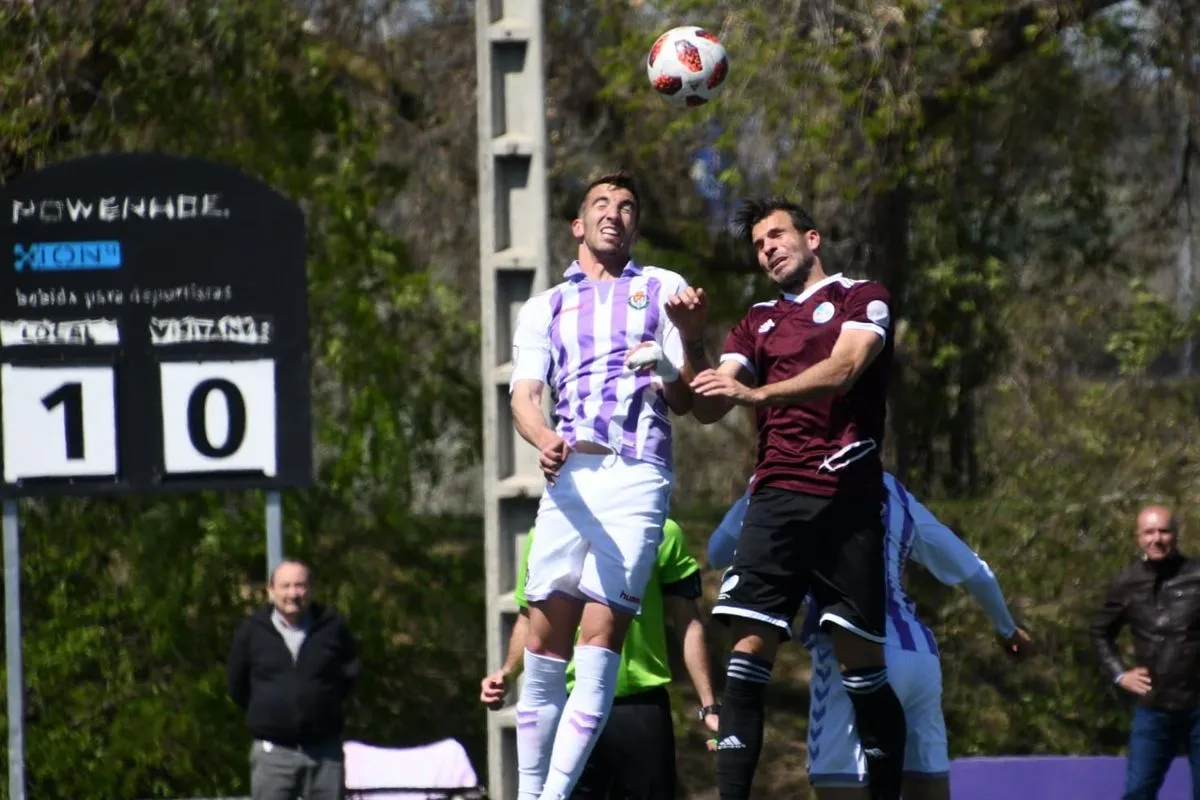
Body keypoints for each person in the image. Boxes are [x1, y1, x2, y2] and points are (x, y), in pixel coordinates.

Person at [664, 198, 906, 800]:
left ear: (812, 238)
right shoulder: (755, 320)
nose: (768, 248)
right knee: (746, 659)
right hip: (774, 498)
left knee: (863, 672)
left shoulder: (861, 295)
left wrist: (759, 394)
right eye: (758, 244)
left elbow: (845, 368)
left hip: (846, 499)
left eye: (777, 235)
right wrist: (694, 344)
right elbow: (710, 402)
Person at [507, 170, 695, 800]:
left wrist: (682, 342)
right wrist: (543, 438)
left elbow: (682, 394)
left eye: (627, 207)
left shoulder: (662, 288)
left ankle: (553, 794)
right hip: (570, 474)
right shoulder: (545, 307)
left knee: (601, 630)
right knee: (543, 635)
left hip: (638, 470)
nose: (615, 214)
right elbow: (525, 394)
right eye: (602, 205)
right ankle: (531, 790)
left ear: (635, 226)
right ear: (578, 225)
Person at [708, 473, 1032, 800]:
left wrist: (753, 496)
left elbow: (717, 551)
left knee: (839, 784)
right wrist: (1006, 629)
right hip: (917, 657)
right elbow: (977, 571)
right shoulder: (892, 490)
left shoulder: (783, 475)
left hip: (848, 657)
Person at [482, 519, 720, 798]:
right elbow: (529, 619)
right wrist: (508, 673)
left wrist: (708, 704)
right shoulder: (547, 531)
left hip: (638, 707)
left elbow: (687, 622)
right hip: (570, 705)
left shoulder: (660, 530)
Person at [1091, 505, 1200, 799]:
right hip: (1154, 708)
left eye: (1164, 531)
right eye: (1149, 532)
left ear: (1176, 534)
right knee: (1138, 791)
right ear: (1138, 538)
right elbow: (1100, 632)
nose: (1157, 539)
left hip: (1197, 704)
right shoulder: (1126, 582)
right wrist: (1119, 674)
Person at [227, 560, 359, 800]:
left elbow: (348, 675)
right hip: (274, 754)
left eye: (300, 586)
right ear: (271, 590)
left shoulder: (332, 627)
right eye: (285, 586)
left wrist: (319, 705)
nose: (293, 593)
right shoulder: (252, 630)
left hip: (324, 754)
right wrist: (269, 713)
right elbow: (237, 685)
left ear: (311, 589)